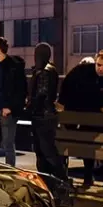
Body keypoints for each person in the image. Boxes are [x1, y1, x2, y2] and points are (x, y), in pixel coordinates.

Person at [57, 50, 103, 188]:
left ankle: (89, 176)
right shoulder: (81, 71)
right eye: (99, 64)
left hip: (93, 120)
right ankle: (63, 176)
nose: (101, 68)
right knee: (67, 143)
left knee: (89, 147)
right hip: (74, 113)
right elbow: (68, 88)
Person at [0, 37, 27, 167]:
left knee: (8, 145)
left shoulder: (15, 67)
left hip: (7, 112)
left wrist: (11, 107)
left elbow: (21, 90)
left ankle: (10, 173)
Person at [27, 43, 68, 181]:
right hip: (45, 114)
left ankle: (58, 179)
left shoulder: (44, 71)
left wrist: (30, 105)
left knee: (45, 151)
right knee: (45, 150)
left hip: (42, 115)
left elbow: (41, 93)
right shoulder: (49, 70)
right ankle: (52, 179)